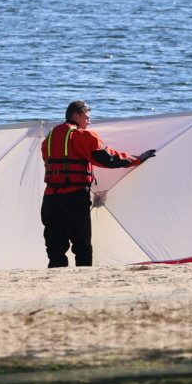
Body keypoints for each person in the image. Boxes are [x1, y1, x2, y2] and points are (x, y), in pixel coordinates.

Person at [40, 100, 154, 268]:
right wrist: (135, 160)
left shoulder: (48, 139)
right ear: (76, 116)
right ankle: (83, 281)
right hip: (74, 198)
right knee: (82, 245)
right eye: (87, 117)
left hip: (50, 200)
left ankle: (57, 282)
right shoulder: (82, 136)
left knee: (55, 246)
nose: (89, 121)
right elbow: (107, 159)